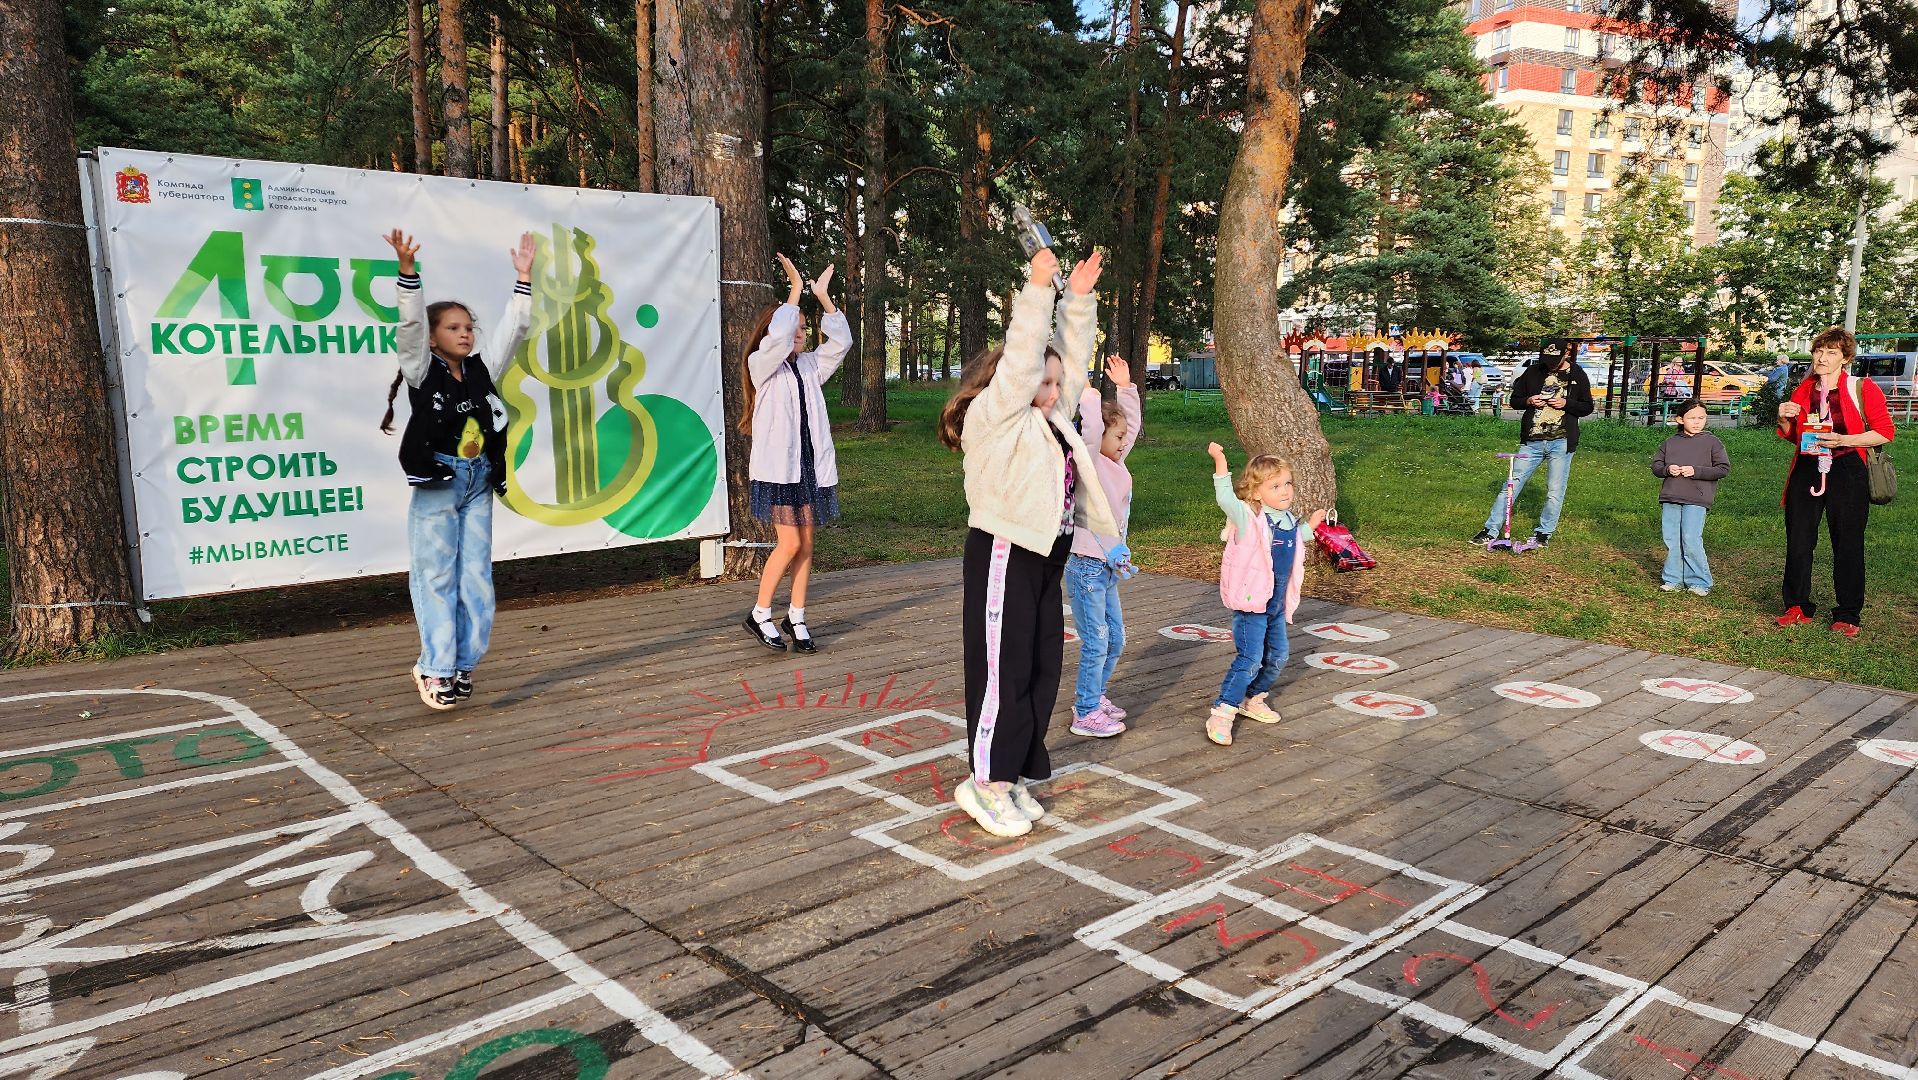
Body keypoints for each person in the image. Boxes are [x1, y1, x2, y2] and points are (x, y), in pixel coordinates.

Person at [937, 246, 1129, 839]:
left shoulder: (1053, 415)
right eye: (1038, 383)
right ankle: (985, 782)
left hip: (1050, 551)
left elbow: (1068, 362)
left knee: (1042, 665)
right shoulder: (996, 415)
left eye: (1053, 385)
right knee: (1003, 667)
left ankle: (1013, 771)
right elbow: (1025, 359)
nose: (1050, 390)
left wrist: (1077, 298)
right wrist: (1038, 290)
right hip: (1003, 548)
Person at [381, 228, 534, 710]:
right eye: (453, 327)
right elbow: (407, 328)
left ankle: (463, 663)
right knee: (436, 576)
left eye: (469, 326)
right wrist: (408, 274)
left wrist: (523, 280)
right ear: (432, 338)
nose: (465, 333)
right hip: (438, 481)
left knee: (476, 579)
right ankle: (435, 667)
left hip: (477, 481)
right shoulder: (421, 371)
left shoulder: (482, 371)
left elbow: (514, 331)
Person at [740, 254, 851, 654]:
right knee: (788, 544)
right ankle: (759, 613)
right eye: (795, 327)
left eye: (805, 328)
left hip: (809, 468)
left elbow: (841, 343)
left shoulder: (809, 367)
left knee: (806, 546)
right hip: (779, 470)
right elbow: (779, 338)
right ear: (774, 332)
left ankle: (797, 616)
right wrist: (792, 291)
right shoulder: (762, 365)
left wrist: (823, 299)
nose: (801, 334)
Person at [1775, 328, 1895, 636]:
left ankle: (1847, 613)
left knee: (1847, 542)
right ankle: (1797, 605)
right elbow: (1795, 436)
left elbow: (1884, 432)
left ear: (1845, 358)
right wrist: (1785, 418)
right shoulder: (1804, 390)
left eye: (1830, 353)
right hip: (1808, 467)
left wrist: (1844, 439)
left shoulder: (1862, 388)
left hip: (1848, 468)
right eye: (1818, 351)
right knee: (1799, 538)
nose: (1822, 358)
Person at [1204, 443, 1325, 747]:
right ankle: (1222, 710)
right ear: (1256, 493)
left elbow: (1298, 539)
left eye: (1288, 484)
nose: (1285, 491)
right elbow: (1225, 498)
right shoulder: (1248, 517)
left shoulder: (1288, 520)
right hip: (1251, 605)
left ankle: (1252, 697)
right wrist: (1220, 461)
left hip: (1276, 605)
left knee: (1279, 656)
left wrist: (1312, 525)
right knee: (1250, 657)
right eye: (1275, 486)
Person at [1066, 355, 1142, 739]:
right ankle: (1085, 711)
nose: (1123, 442)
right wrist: (1088, 395)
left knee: (1116, 638)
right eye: (1118, 437)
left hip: (1108, 567)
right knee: (1097, 641)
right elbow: (1094, 429)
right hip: (1086, 565)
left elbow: (1130, 426)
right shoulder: (1091, 461)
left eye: (1124, 438)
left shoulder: (1115, 461)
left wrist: (1126, 389)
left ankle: (1096, 696)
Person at [1472, 345, 1593, 548]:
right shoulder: (1532, 371)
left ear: (1565, 354)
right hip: (1532, 441)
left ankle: (1543, 533)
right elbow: (1515, 400)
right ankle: (1490, 529)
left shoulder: (1577, 374)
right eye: (1547, 358)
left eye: (1555, 358)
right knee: (1511, 485)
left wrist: (1566, 404)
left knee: (1554, 490)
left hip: (1561, 442)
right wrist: (1528, 400)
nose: (1550, 363)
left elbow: (1587, 406)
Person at [1651, 399, 1730, 596]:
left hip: (1697, 498)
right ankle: (1673, 579)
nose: (1697, 422)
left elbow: (1722, 469)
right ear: (1679, 419)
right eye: (1692, 418)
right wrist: (1668, 469)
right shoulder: (1670, 443)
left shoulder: (1712, 442)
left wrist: (1696, 471)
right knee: (1672, 539)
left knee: (1690, 538)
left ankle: (1700, 581)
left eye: (1701, 418)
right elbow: (1656, 466)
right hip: (1671, 496)